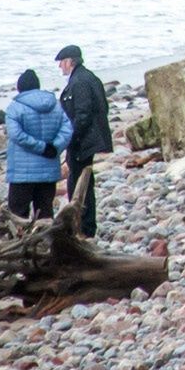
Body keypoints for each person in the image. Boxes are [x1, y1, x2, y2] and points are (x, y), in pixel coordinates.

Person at [54, 44, 112, 236]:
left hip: (83, 141)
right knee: (83, 181)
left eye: (61, 62)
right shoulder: (88, 77)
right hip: (88, 138)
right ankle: (84, 224)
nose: (60, 66)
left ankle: (84, 227)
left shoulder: (79, 81)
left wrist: (71, 138)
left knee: (79, 184)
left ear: (70, 61)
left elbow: (83, 115)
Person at [4, 69, 71, 222]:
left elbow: (16, 135)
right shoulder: (55, 105)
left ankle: (20, 244)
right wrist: (54, 147)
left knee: (18, 214)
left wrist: (40, 147)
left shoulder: (15, 107)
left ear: (20, 88)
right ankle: (45, 243)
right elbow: (67, 129)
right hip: (48, 170)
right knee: (45, 212)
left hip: (21, 173)